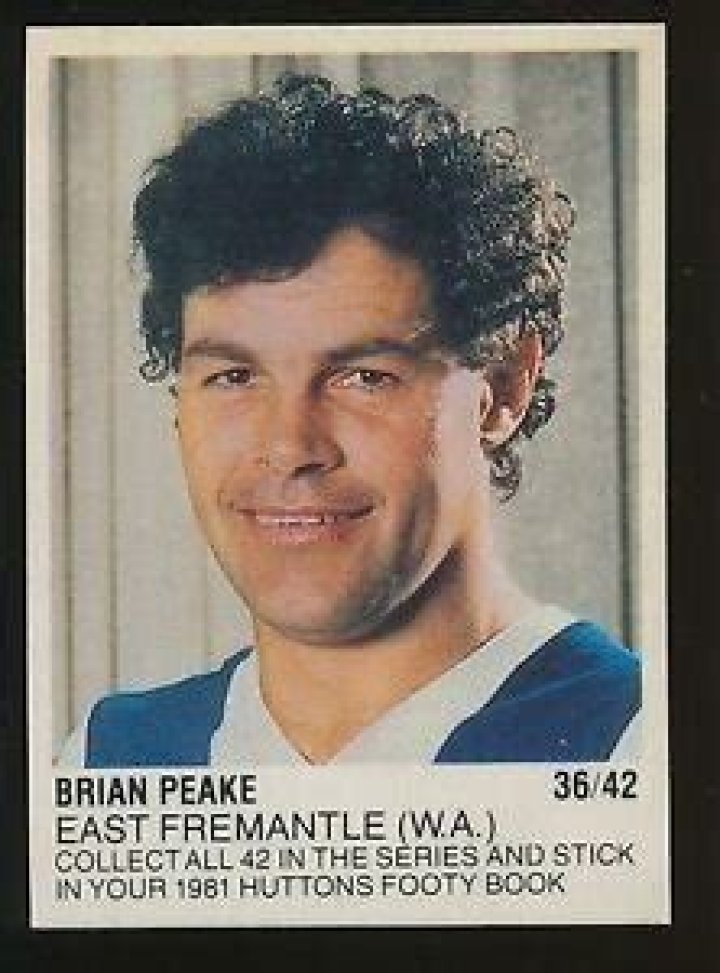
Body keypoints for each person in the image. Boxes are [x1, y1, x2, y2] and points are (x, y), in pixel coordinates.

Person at [62, 72, 640, 767]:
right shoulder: (108, 756)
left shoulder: (640, 745)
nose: (289, 446)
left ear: (504, 387)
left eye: (364, 378)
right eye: (234, 377)